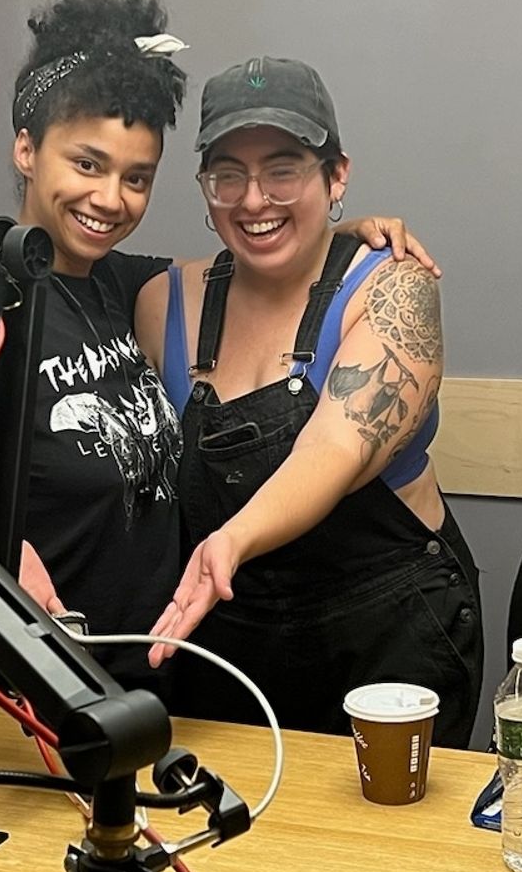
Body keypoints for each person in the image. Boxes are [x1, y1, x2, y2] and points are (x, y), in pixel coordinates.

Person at [0, 0, 435, 693]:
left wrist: (343, 236)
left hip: (165, 677)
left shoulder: (121, 285)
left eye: (136, 177)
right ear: (27, 149)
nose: (110, 199)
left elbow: (258, 263)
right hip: (40, 686)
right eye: (86, 164)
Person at [138, 56, 483, 746]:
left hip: (388, 637)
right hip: (230, 643)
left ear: (337, 175)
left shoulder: (394, 290)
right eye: (227, 173)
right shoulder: (163, 304)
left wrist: (230, 540)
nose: (254, 198)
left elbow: (332, 448)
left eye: (284, 168)